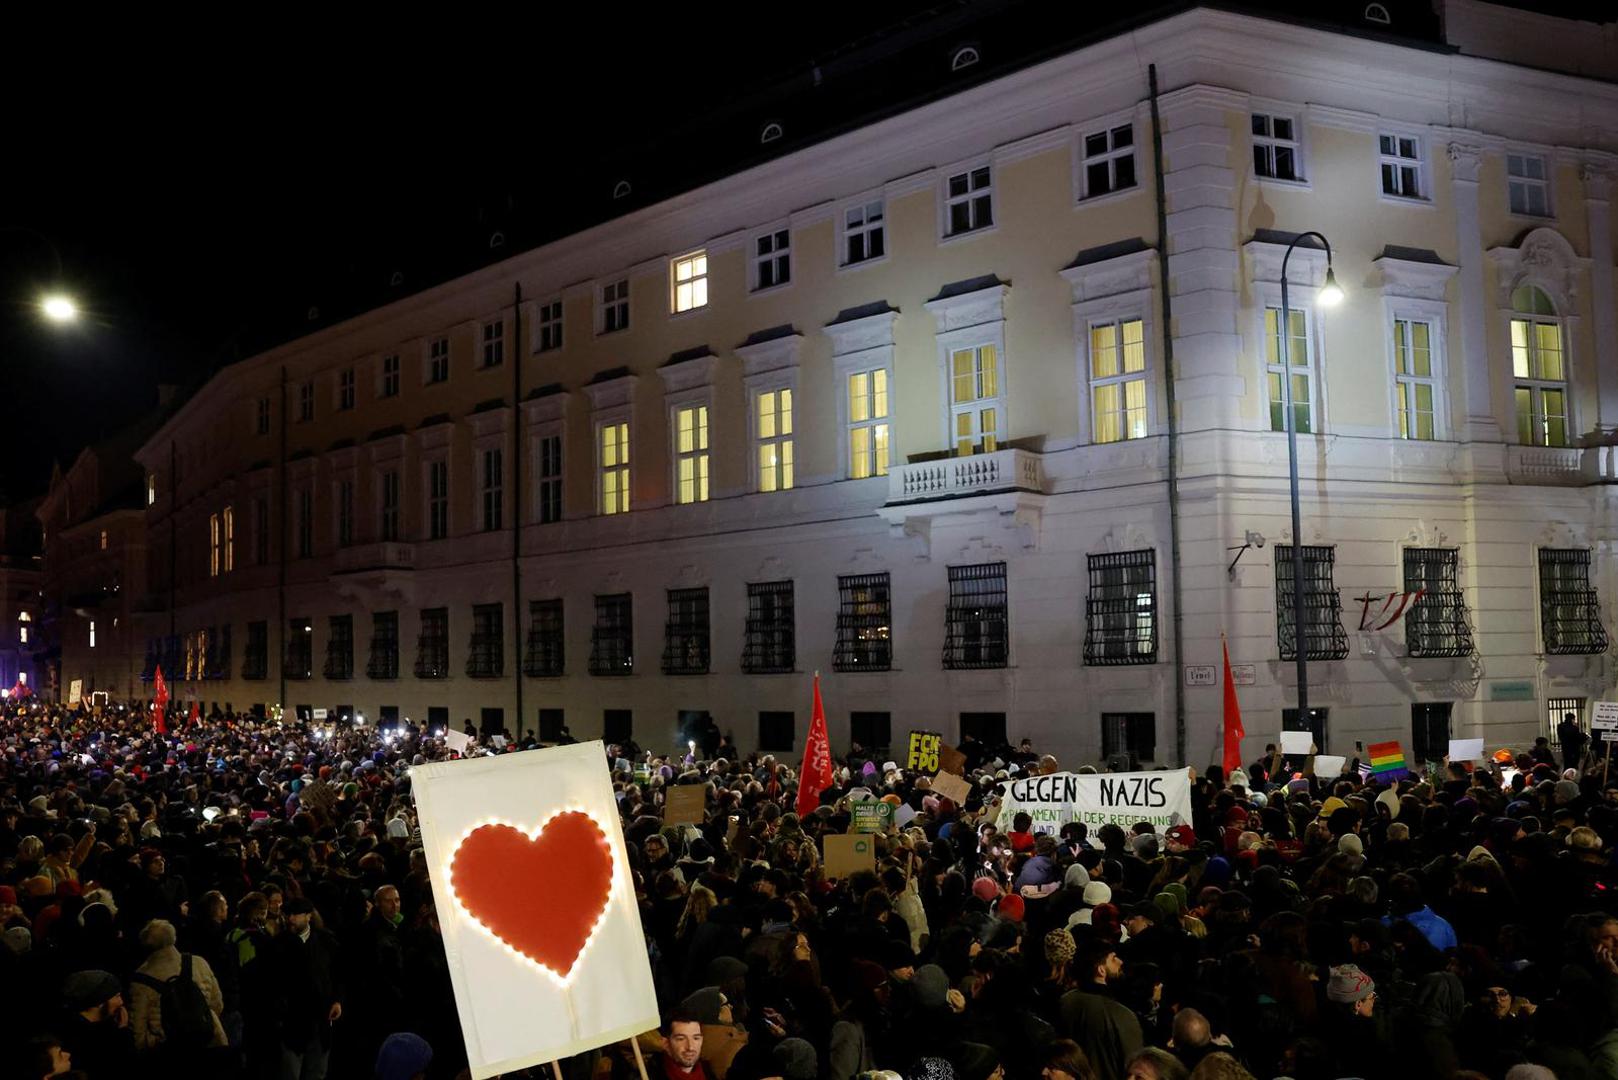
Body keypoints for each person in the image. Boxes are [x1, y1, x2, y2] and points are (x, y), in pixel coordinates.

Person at [129, 917, 227, 1062]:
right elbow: (217, 1004)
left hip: (171, 1053)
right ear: (173, 937)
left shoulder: (141, 980)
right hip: (211, 1042)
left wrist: (154, 1041)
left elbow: (138, 1033)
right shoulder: (199, 963)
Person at [268, 896, 343, 1080]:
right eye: (288, 914)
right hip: (292, 1023)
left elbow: (338, 974)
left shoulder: (326, 941)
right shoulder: (278, 944)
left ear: (308, 916)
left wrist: (337, 1000)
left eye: (296, 914)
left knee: (316, 1072)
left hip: (320, 1020)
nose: (291, 918)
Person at [1059, 941, 1143, 1080]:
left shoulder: (1064, 1001)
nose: (1120, 962)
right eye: (1113, 958)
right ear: (1101, 970)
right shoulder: (1121, 1015)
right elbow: (1134, 1066)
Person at [59, 969, 135, 1079]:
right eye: (117, 996)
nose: (121, 1002)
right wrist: (123, 1032)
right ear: (99, 1002)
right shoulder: (80, 1038)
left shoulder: (106, 1026)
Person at [658, 1010, 714, 1080]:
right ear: (666, 1044)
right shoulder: (650, 1074)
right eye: (681, 1039)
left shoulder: (707, 1071)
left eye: (696, 1038)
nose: (690, 1047)